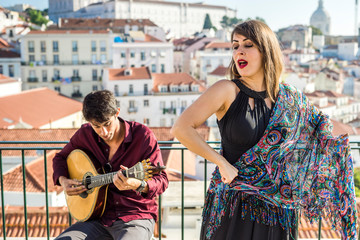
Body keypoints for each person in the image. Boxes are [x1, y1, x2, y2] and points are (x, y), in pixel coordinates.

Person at [171, 20, 357, 240]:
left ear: (266, 50)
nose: (239, 51)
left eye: (248, 45)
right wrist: (221, 163)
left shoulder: (290, 99)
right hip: (234, 207)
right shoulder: (226, 90)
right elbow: (182, 128)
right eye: (235, 45)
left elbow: (321, 129)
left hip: (279, 212)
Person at [53, 90, 168, 240]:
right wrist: (63, 181)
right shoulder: (85, 135)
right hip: (97, 219)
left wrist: (138, 185)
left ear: (117, 112)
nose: (104, 132)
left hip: (135, 216)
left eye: (107, 124)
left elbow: (162, 181)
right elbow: (60, 158)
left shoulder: (143, 136)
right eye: (97, 126)